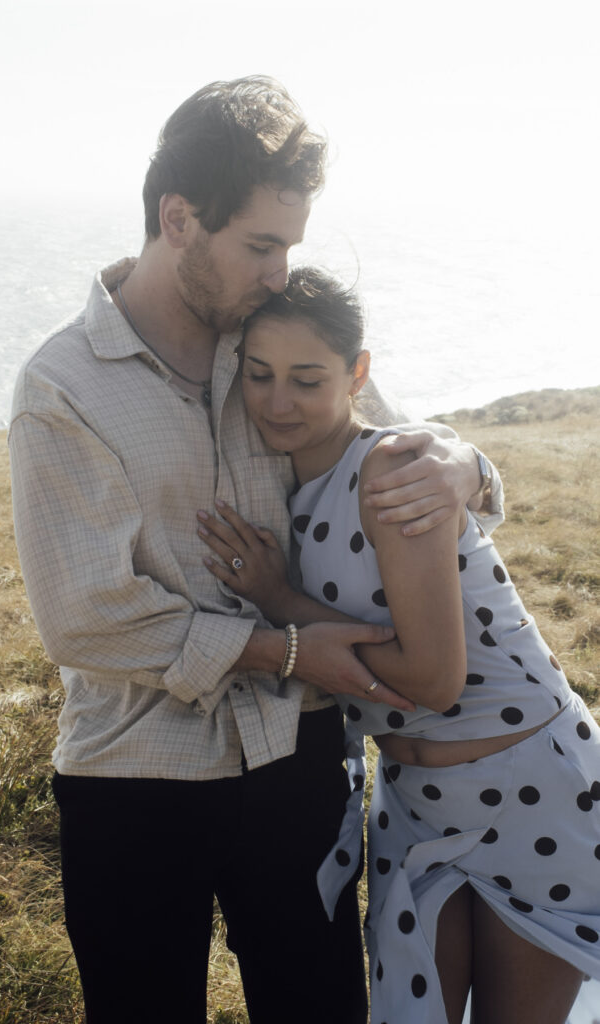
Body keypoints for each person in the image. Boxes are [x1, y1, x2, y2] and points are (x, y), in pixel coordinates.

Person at [8, 78, 501, 1024]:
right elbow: (83, 619)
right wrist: (282, 651)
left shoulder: (277, 345)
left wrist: (468, 466)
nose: (278, 272)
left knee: (319, 1008)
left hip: (301, 761)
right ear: (179, 218)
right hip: (133, 778)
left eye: (291, 247)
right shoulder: (60, 387)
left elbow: (400, 457)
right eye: (261, 246)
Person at [197, 265, 600, 1024]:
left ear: (357, 375)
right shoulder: (278, 481)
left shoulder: (392, 470)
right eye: (259, 375)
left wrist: (279, 602)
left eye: (307, 380)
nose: (278, 403)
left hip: (527, 792)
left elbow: (433, 679)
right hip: (413, 806)